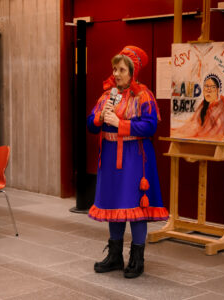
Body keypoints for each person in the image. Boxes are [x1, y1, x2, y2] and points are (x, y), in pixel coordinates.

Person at [87, 46, 169, 278]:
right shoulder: (107, 96)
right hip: (111, 159)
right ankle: (114, 256)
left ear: (133, 71)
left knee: (134, 206)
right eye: (115, 69)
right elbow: (91, 125)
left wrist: (120, 124)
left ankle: (137, 258)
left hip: (135, 157)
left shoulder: (144, 95)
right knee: (114, 205)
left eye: (122, 69)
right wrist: (100, 117)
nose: (117, 73)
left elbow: (150, 126)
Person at [171, 74, 224, 141]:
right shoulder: (203, 105)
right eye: (206, 86)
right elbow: (194, 123)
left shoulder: (221, 107)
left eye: (212, 87)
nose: (208, 90)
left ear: (218, 90)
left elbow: (219, 133)